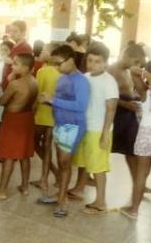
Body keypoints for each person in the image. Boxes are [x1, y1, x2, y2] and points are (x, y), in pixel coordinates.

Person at [37, 45, 89, 217]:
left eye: (59, 64)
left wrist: (53, 101)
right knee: (61, 162)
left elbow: (80, 106)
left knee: (65, 163)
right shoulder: (63, 78)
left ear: (71, 61)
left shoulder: (81, 81)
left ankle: (62, 200)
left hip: (73, 126)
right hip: (60, 124)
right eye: (54, 64)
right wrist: (48, 102)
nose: (57, 68)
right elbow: (59, 100)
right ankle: (59, 194)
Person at [66, 44, 118, 213]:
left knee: (98, 167)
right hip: (84, 126)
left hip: (98, 129)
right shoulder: (85, 77)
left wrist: (105, 134)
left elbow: (111, 109)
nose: (92, 64)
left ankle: (101, 201)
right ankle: (79, 188)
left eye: (97, 61)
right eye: (90, 60)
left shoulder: (109, 82)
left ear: (105, 63)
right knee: (83, 161)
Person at [0, 53, 37, 200]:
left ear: (25, 67)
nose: (12, 66)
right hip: (27, 119)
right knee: (24, 155)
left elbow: (2, 101)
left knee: (9, 155)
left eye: (15, 64)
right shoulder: (34, 81)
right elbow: (34, 105)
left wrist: (9, 81)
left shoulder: (15, 84)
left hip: (13, 121)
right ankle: (25, 186)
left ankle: (2, 190)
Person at [121, 67, 151, 221]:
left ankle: (134, 210)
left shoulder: (144, 92)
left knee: (141, 174)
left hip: (145, 134)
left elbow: (133, 71)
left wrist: (148, 76)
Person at [108, 43, 148, 192]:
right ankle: (84, 181)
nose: (138, 66)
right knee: (101, 149)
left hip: (129, 119)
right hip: (114, 116)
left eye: (140, 64)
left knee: (132, 152)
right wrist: (125, 104)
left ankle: (139, 185)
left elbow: (142, 96)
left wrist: (138, 77)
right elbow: (106, 95)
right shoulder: (111, 70)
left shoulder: (129, 72)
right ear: (126, 56)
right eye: (136, 62)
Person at [30, 42, 62, 191]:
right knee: (48, 147)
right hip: (56, 115)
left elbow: (37, 95)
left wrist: (32, 112)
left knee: (36, 143)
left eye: (45, 50)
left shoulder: (43, 71)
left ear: (53, 55)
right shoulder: (63, 73)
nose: (42, 52)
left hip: (42, 114)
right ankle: (45, 178)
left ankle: (52, 174)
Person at [2, 20, 32, 90]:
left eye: (15, 31)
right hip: (9, 85)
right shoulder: (15, 46)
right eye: (10, 31)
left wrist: (10, 61)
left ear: (23, 33)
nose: (12, 34)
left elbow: (26, 67)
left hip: (16, 87)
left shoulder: (25, 47)